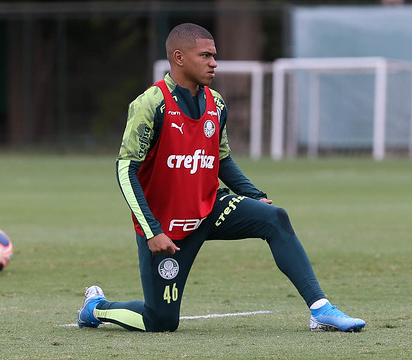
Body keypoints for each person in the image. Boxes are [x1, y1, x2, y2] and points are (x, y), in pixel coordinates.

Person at [77, 23, 365, 333]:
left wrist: (252, 193)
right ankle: (96, 309)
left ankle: (321, 310)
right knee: (160, 322)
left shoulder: (216, 103)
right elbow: (125, 169)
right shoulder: (150, 104)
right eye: (205, 55)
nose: (214, 62)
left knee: (275, 219)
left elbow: (221, 158)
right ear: (179, 58)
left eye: (214, 55)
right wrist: (152, 230)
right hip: (166, 229)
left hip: (210, 210)